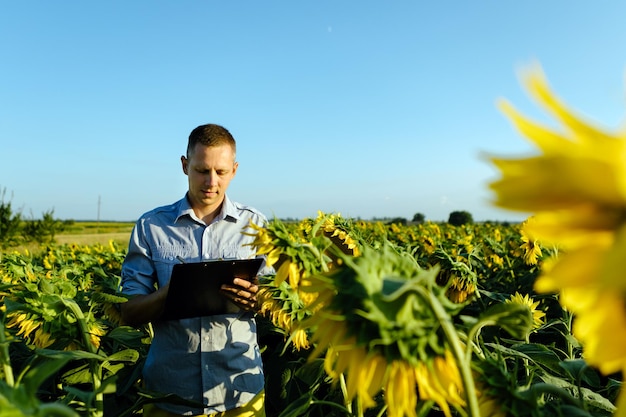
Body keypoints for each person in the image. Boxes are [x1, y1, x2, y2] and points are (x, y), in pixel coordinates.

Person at [120, 123, 270, 416]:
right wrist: (168, 294)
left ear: (234, 170)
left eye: (221, 172)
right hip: (169, 395)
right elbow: (128, 312)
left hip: (239, 393)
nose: (211, 182)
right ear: (185, 165)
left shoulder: (256, 226)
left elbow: (275, 304)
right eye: (202, 170)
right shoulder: (151, 227)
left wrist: (259, 300)